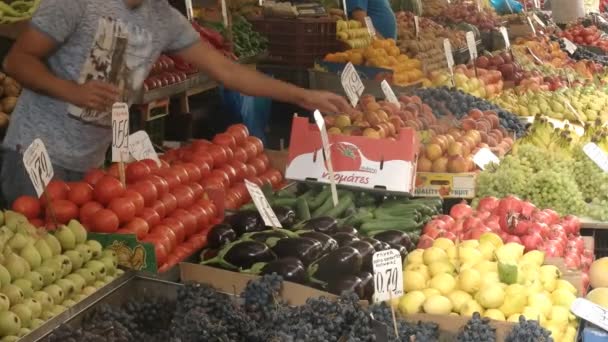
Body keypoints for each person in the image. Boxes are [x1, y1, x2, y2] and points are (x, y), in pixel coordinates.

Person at [1, 0, 350, 205]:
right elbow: (16, 61)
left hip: (92, 161)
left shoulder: (164, 19)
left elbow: (227, 72)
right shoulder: (74, 4)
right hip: (35, 153)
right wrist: (72, 91)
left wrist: (303, 95)